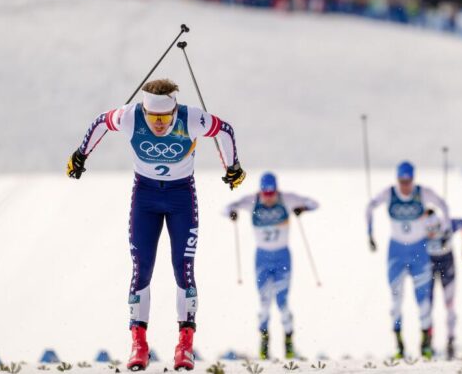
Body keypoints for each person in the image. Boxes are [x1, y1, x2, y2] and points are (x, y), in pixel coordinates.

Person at [66, 79, 245, 371]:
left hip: (180, 197)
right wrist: (80, 155)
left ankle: (185, 347)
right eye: (153, 118)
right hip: (146, 197)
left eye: (165, 118)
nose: (159, 124)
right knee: (141, 268)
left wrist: (232, 166)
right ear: (144, 112)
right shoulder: (129, 116)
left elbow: (224, 130)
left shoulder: (192, 118)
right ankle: (139, 345)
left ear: (174, 110)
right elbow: (101, 122)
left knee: (183, 268)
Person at [224, 172, 319, 360]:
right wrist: (232, 213)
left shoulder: (287, 199)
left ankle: (289, 344)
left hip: (283, 257)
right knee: (264, 303)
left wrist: (302, 208)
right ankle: (264, 346)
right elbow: (227, 207)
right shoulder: (253, 200)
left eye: (271, 193)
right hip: (262, 258)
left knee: (282, 303)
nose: (268, 198)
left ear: (276, 190)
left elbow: (314, 204)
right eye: (265, 193)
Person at [366, 161, 449, 359]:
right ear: (397, 179)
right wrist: (370, 234)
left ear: (413, 179)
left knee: (423, 301)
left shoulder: (422, 193)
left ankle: (426, 345)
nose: (405, 185)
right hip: (396, 253)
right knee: (396, 300)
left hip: (419, 251)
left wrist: (444, 229)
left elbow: (443, 205)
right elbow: (369, 207)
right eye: (402, 180)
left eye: (408, 180)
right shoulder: (389, 193)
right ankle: (399, 346)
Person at [425, 213, 462, 360]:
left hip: (446, 262)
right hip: (429, 263)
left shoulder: (447, 223)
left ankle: (450, 340)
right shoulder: (419, 225)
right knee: (427, 304)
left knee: (449, 303)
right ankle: (427, 340)